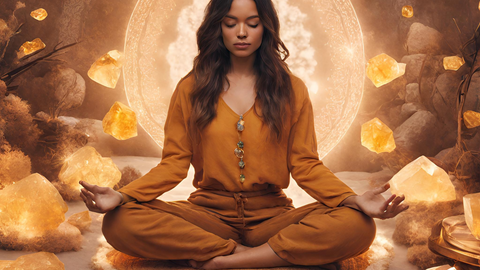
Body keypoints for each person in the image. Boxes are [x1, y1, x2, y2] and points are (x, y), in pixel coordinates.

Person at [80, 0, 409, 269]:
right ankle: (254, 255)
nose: (241, 32)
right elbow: (173, 164)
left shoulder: (292, 89)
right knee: (118, 222)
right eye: (230, 22)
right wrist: (122, 197)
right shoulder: (190, 88)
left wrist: (353, 199)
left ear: (266, 26)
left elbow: (306, 164)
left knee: (358, 225)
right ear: (217, 26)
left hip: (273, 217)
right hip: (206, 216)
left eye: (252, 23)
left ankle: (225, 262)